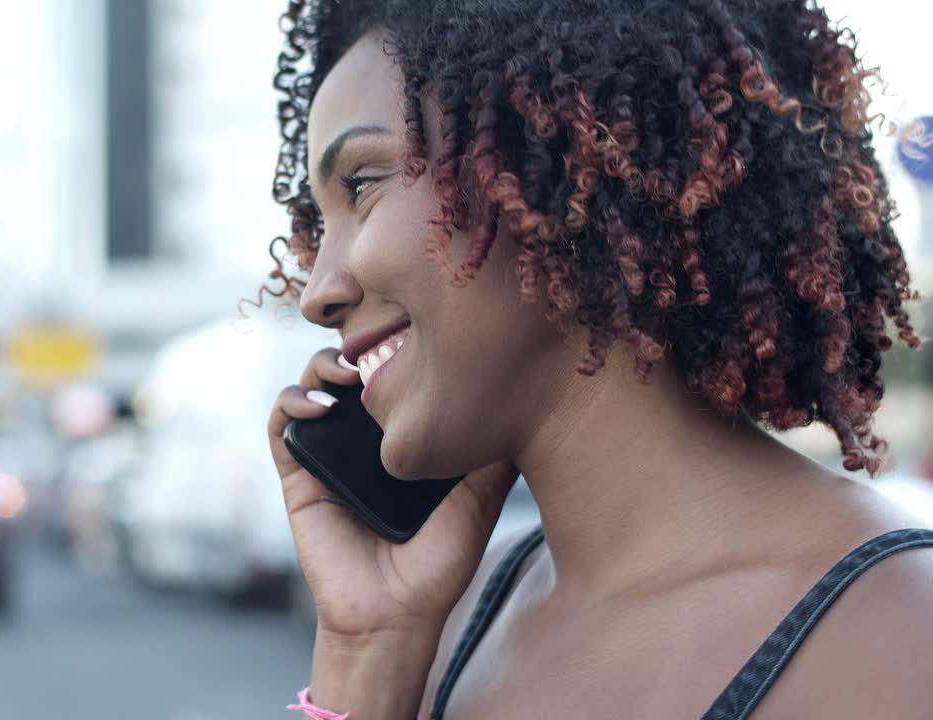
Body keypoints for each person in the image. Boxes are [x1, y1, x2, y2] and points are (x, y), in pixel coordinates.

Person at [261, 1, 933, 718]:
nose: (316, 294)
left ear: (552, 151)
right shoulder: (447, 624)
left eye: (361, 185)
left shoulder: (898, 634)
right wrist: (365, 652)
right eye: (314, 223)